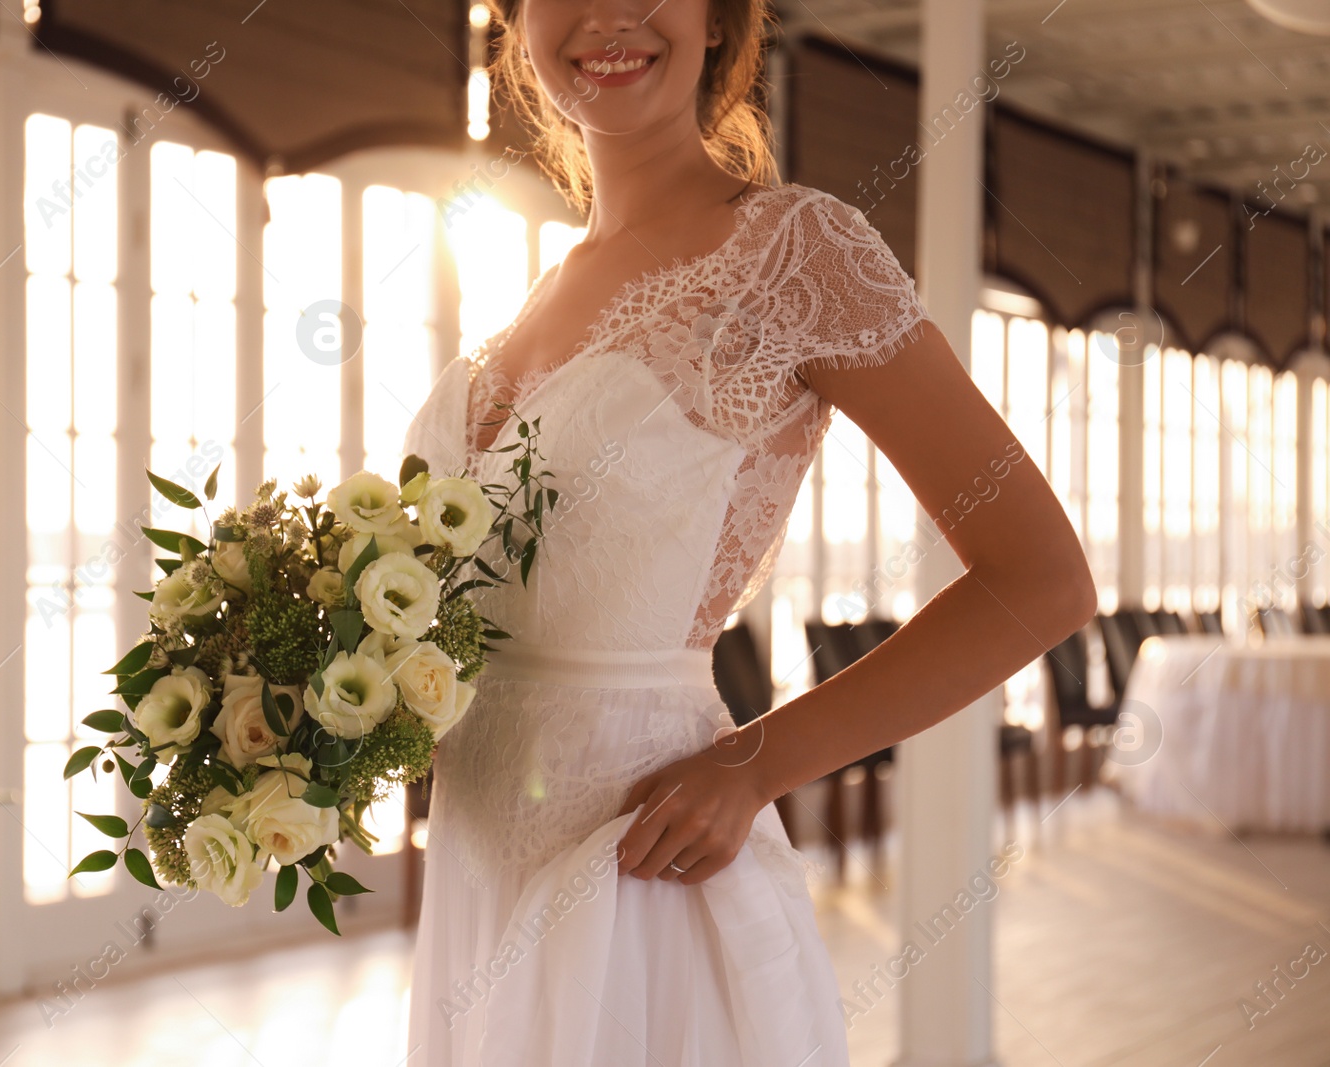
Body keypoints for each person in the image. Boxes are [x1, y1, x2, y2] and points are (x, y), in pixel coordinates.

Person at [398, 1, 1097, 1063]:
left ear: (719, 18)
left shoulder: (794, 249)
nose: (608, 16)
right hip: (478, 877)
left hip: (642, 868)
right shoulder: (535, 289)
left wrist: (754, 765)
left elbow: (1041, 578)